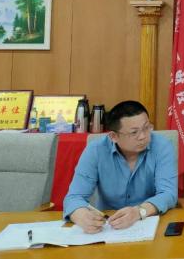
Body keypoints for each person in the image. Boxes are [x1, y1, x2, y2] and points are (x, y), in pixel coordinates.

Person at [63, 100, 177, 233]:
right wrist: (80, 214)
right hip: (109, 227)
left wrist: (139, 212)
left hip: (149, 222)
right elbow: (74, 197)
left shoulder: (162, 146)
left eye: (146, 128)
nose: (143, 136)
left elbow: (168, 193)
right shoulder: (96, 150)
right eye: (134, 132)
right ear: (114, 136)